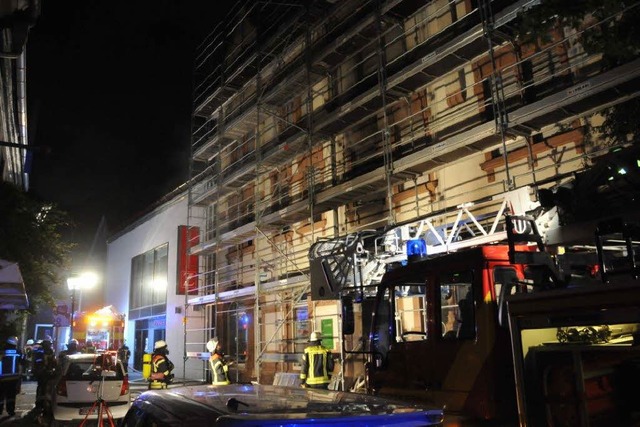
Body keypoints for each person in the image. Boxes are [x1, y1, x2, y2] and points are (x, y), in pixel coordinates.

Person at [32, 338, 57, 416]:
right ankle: (39, 405)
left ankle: (46, 405)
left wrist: (53, 367)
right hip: (41, 373)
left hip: (48, 373)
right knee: (41, 388)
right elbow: (38, 361)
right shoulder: (40, 351)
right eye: (48, 344)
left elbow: (54, 362)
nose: (49, 346)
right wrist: (44, 367)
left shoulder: (51, 351)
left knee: (47, 389)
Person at [0, 337, 23, 416]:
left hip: (2, 378)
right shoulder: (18, 352)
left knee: (1, 395)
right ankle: (10, 411)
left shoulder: (2, 352)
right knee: (11, 396)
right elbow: (22, 362)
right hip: (13, 378)